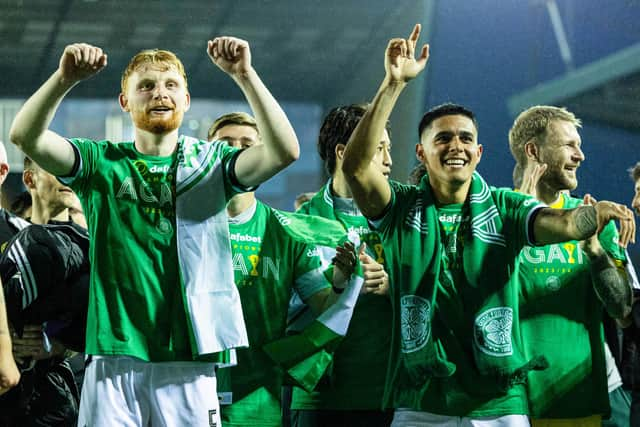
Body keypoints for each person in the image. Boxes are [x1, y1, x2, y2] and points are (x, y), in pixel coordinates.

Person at [341, 24, 635, 425]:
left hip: (499, 404)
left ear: (479, 152)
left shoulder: (504, 208)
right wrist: (393, 84)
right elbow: (356, 168)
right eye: (442, 139)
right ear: (421, 153)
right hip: (423, 402)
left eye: (465, 138)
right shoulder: (400, 209)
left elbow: (563, 223)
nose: (455, 146)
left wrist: (592, 218)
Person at [9, 36, 300, 426]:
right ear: (125, 102)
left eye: (170, 85)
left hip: (188, 358)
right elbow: (25, 136)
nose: (158, 93)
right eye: (145, 86)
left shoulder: (212, 163)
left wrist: (245, 75)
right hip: (113, 356)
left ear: (186, 100)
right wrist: (64, 79)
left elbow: (284, 151)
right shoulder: (102, 162)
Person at [207, 112, 360, 427]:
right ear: (208, 154)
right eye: (226, 144)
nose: (237, 151)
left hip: (258, 402)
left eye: (248, 144)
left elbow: (323, 305)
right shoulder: (182, 226)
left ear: (265, 158)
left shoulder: (288, 232)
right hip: (183, 392)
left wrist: (342, 283)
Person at [509, 105, 632, 426]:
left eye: (579, 145)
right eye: (569, 145)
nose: (580, 156)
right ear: (534, 151)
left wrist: (593, 251)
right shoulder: (494, 217)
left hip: (579, 399)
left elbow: (621, 308)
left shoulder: (593, 218)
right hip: (511, 402)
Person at [290, 104, 393, 427]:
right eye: (379, 149)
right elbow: (281, 307)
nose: (389, 161)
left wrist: (393, 284)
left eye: (389, 150)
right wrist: (334, 283)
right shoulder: (300, 223)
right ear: (344, 152)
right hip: (319, 396)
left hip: (384, 394)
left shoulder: (399, 220)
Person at [0, 156, 89, 426]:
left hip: (69, 390)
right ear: (29, 179)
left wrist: (56, 345)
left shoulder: (95, 248)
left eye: (71, 172)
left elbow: (114, 322)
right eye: (56, 170)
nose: (66, 179)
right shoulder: (18, 239)